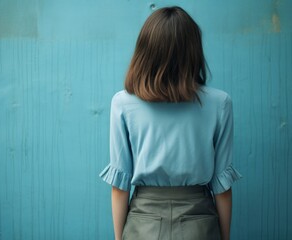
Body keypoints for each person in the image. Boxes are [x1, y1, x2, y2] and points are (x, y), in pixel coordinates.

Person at [99, 6, 242, 240]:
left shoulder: (122, 103)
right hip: (200, 224)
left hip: (143, 224)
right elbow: (222, 188)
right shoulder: (220, 103)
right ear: (193, 50)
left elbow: (119, 186)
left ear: (145, 50)